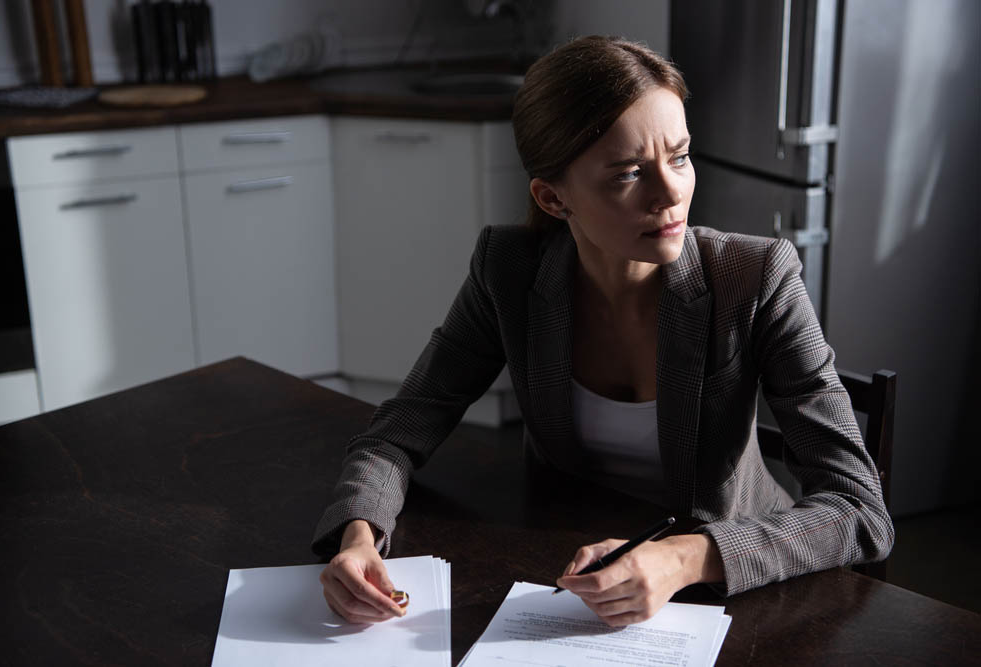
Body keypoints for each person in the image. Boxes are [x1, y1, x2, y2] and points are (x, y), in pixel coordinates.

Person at [313, 35, 894, 627]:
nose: (670, 193)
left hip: (730, 595)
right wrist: (359, 534)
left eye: (681, 156)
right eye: (628, 174)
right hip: (563, 581)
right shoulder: (508, 270)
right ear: (553, 197)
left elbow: (859, 509)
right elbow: (398, 430)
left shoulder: (755, 278)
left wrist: (685, 558)